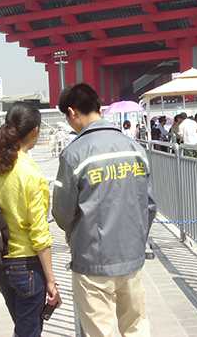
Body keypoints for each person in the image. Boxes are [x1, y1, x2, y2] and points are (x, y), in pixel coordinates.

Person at [52, 84, 153, 337]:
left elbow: (62, 212)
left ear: (72, 112)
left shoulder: (74, 154)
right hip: (131, 254)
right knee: (137, 325)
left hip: (92, 259)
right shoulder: (134, 148)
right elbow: (149, 204)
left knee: (100, 330)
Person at [0, 103, 61, 337]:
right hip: (28, 266)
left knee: (23, 328)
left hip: (0, 264)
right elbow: (39, 233)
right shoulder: (31, 172)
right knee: (28, 331)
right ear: (34, 131)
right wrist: (51, 280)